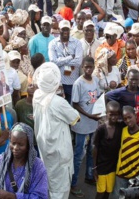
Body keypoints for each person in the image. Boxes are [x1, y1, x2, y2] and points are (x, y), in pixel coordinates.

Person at [33, 62, 80, 199]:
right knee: (60, 188)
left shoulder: (37, 95)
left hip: (45, 147)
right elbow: (75, 118)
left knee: (48, 181)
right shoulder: (58, 102)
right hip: (59, 152)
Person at [0, 123, 49, 199]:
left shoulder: (37, 166)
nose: (16, 148)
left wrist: (11, 196)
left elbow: (41, 196)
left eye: (20, 144)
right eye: (13, 143)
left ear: (28, 146)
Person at [69, 56, 101, 195]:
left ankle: (89, 176)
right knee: (78, 154)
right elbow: (75, 104)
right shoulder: (78, 83)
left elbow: (97, 98)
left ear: (94, 67)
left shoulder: (95, 80)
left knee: (91, 151)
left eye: (91, 67)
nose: (88, 69)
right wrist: (89, 116)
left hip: (93, 123)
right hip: (82, 124)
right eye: (86, 67)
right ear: (82, 67)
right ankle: (73, 183)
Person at [111, 106, 139, 196]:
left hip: (135, 174)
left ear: (135, 115)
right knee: (118, 195)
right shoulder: (123, 130)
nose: (128, 121)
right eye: (125, 119)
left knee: (131, 196)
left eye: (130, 117)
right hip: (121, 173)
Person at [92, 101, 122, 199]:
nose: (114, 117)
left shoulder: (120, 127)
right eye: (111, 114)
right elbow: (95, 148)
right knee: (100, 192)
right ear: (106, 113)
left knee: (108, 192)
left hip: (113, 167)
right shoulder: (100, 129)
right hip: (101, 166)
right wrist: (94, 167)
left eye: (116, 115)